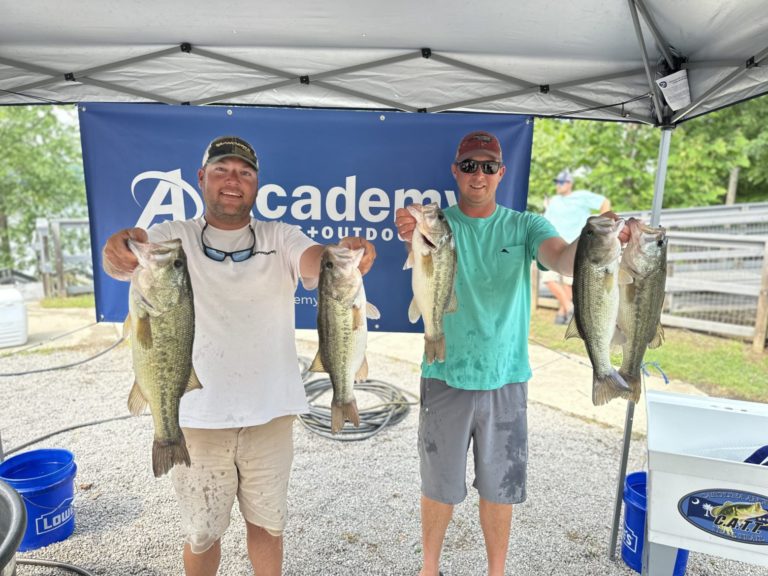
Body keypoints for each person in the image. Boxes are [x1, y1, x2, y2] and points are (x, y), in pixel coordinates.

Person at [102, 135, 376, 576]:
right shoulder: (172, 237)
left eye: (244, 173)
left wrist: (344, 256)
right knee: (203, 533)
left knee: (268, 527)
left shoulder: (279, 235)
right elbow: (120, 262)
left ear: (256, 184)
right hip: (196, 417)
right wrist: (115, 250)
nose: (233, 180)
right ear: (201, 178)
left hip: (271, 413)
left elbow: (313, 262)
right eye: (222, 170)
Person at [394, 131, 627, 576]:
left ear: (502, 173)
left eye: (487, 166)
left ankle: (496, 571)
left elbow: (562, 260)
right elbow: (415, 243)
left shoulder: (526, 225)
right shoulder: (437, 224)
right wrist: (411, 229)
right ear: (455, 172)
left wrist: (598, 237)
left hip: (506, 377)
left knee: (501, 487)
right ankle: (429, 569)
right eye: (468, 165)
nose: (477, 174)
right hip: (444, 373)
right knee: (439, 484)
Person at [542, 169, 611, 324]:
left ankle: (563, 313)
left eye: (561, 182)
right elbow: (545, 221)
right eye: (557, 182)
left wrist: (602, 225)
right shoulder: (554, 201)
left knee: (568, 282)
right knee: (548, 279)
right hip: (554, 244)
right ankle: (568, 308)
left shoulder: (581, 196)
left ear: (569, 183)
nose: (558, 185)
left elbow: (604, 202)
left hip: (575, 244)